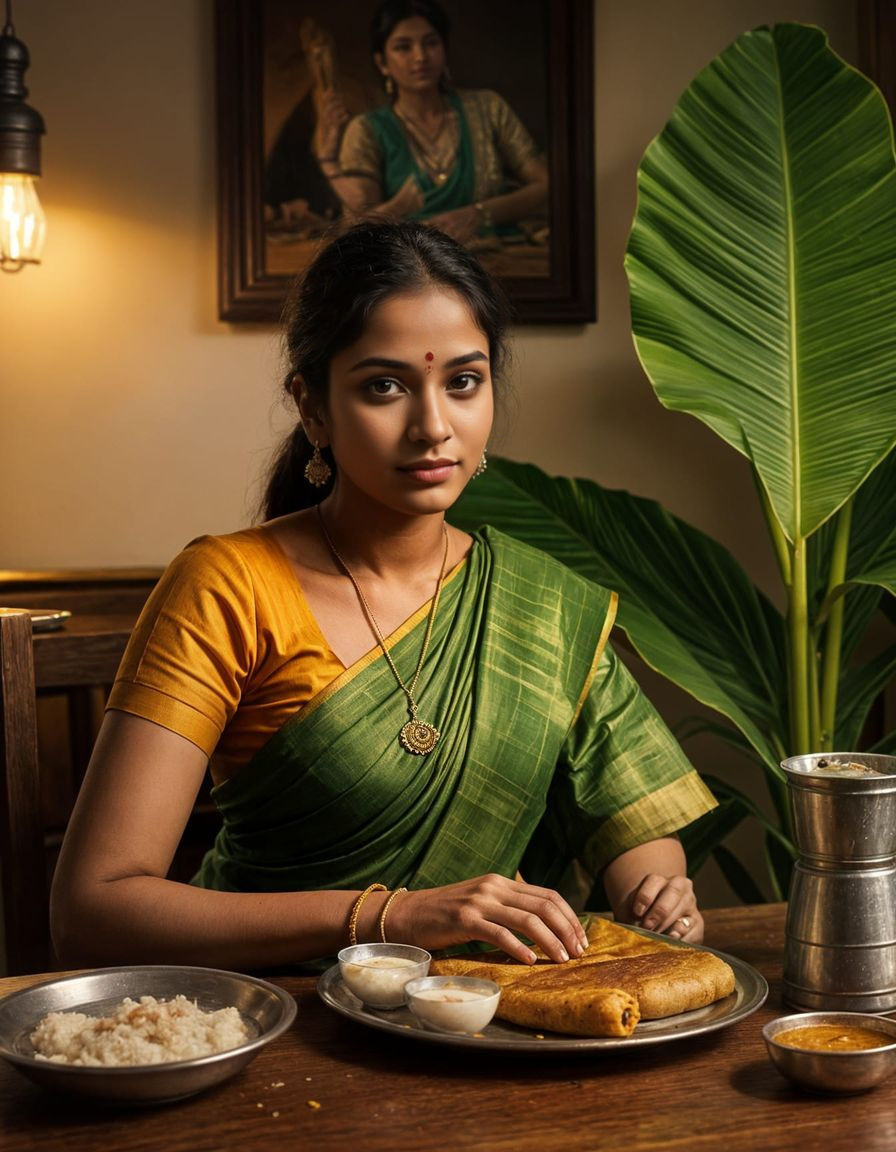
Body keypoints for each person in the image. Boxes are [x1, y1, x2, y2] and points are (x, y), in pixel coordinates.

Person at [50, 220, 716, 972]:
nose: (433, 427)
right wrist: (395, 916)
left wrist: (656, 890)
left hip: (488, 1016)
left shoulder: (544, 604)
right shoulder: (228, 587)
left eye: (463, 381)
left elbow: (629, 817)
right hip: (273, 1018)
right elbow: (94, 912)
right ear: (313, 408)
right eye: (384, 387)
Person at [315, 0, 549, 246]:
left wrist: (478, 214)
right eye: (403, 47)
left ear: (444, 49)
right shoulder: (367, 130)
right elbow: (362, 225)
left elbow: (545, 186)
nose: (420, 56)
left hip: (496, 262)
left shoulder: (487, 109)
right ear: (382, 62)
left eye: (431, 43)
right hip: (410, 270)